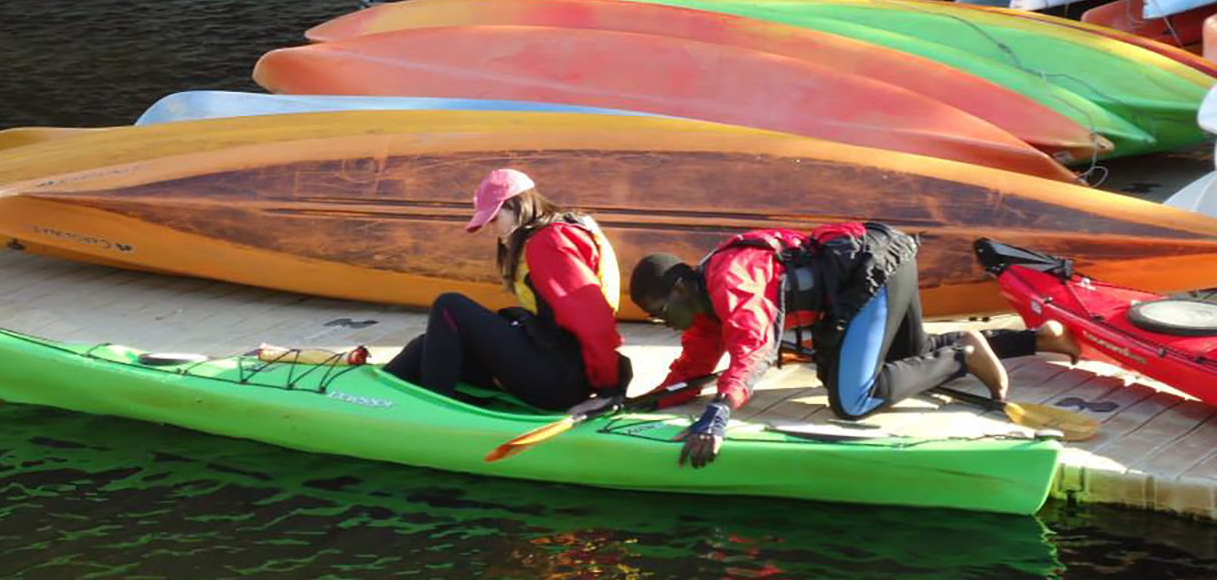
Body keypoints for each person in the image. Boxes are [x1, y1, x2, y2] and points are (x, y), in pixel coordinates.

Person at [629, 222, 1081, 468]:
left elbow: (755, 344)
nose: (662, 322)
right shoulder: (704, 307)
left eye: (660, 311)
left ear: (682, 288)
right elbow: (694, 366)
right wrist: (639, 402)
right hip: (880, 259)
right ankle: (1037, 340)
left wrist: (719, 413)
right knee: (906, 359)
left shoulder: (729, 278)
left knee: (852, 398)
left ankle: (962, 355)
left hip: (871, 271)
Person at [385, 168, 631, 410]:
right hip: (555, 368)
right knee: (428, 345)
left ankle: (434, 413)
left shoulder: (550, 242)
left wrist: (608, 390)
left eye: (494, 218)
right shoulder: (546, 236)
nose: (493, 228)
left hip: (561, 381)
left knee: (448, 305)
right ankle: (372, 397)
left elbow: (593, 320)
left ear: (517, 205)